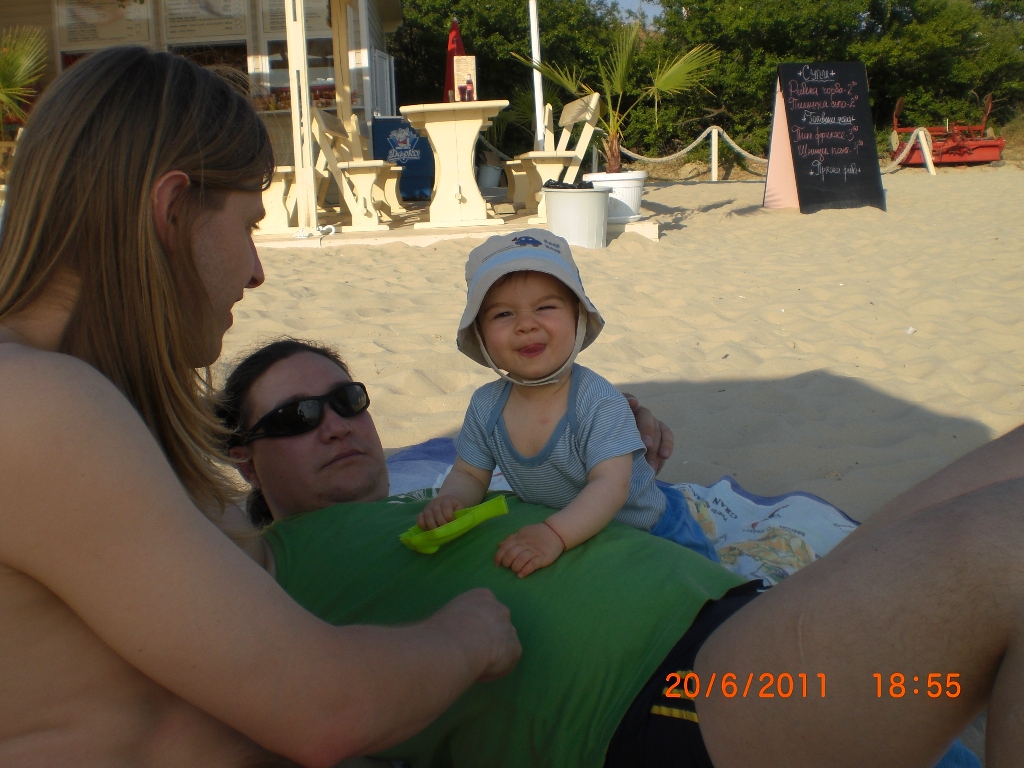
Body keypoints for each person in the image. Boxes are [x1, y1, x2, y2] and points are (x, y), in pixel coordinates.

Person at [0, 46, 521, 768]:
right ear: (172, 212)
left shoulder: (76, 398)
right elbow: (325, 710)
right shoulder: (36, 407)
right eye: (248, 226)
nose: (256, 271)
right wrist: (469, 637)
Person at [223, 338, 1016, 768]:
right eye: (295, 418)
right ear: (245, 460)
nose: (334, 425)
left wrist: (615, 460)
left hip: (751, 621)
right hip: (668, 699)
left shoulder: (434, 489)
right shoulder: (262, 567)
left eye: (346, 400)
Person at [416, 230, 715, 578]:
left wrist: (554, 534)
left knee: (702, 585)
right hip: (566, 529)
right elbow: (469, 474)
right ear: (479, 334)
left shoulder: (597, 400)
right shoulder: (486, 405)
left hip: (647, 528)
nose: (526, 325)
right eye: (503, 314)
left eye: (545, 307)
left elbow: (610, 486)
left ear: (578, 316)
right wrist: (452, 500)